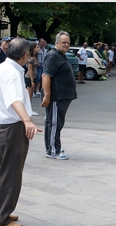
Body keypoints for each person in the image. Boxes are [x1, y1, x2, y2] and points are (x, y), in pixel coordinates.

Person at [0, 37, 42, 226]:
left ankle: (2, 210)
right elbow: (15, 100)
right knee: (11, 173)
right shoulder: (12, 73)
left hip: (6, 125)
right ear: (25, 55)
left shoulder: (3, 68)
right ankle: (2, 217)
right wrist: (27, 121)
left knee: (5, 171)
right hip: (13, 127)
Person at [41, 31, 77, 160]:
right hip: (56, 97)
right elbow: (46, 76)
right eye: (64, 42)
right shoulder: (53, 56)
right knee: (54, 123)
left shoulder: (61, 55)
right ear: (57, 42)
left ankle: (54, 147)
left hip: (62, 97)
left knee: (56, 123)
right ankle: (53, 151)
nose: (66, 44)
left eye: (68, 42)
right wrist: (47, 95)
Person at [24, 41, 40, 116]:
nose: (38, 48)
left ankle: (28, 109)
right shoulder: (31, 59)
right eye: (37, 47)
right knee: (29, 95)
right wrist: (32, 80)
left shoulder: (34, 57)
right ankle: (28, 110)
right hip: (30, 78)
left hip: (33, 77)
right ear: (33, 49)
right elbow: (29, 69)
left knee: (30, 95)